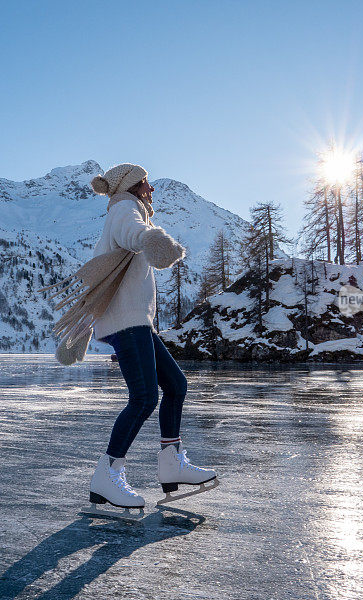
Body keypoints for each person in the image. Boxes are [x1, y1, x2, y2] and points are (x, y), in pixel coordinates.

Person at [87, 163, 217, 510]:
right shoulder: (124, 209)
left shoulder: (129, 210)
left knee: (175, 385)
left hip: (136, 322)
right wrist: (150, 239)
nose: (151, 189)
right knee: (144, 398)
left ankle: (171, 462)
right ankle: (107, 474)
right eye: (146, 183)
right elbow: (132, 233)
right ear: (131, 186)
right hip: (126, 322)